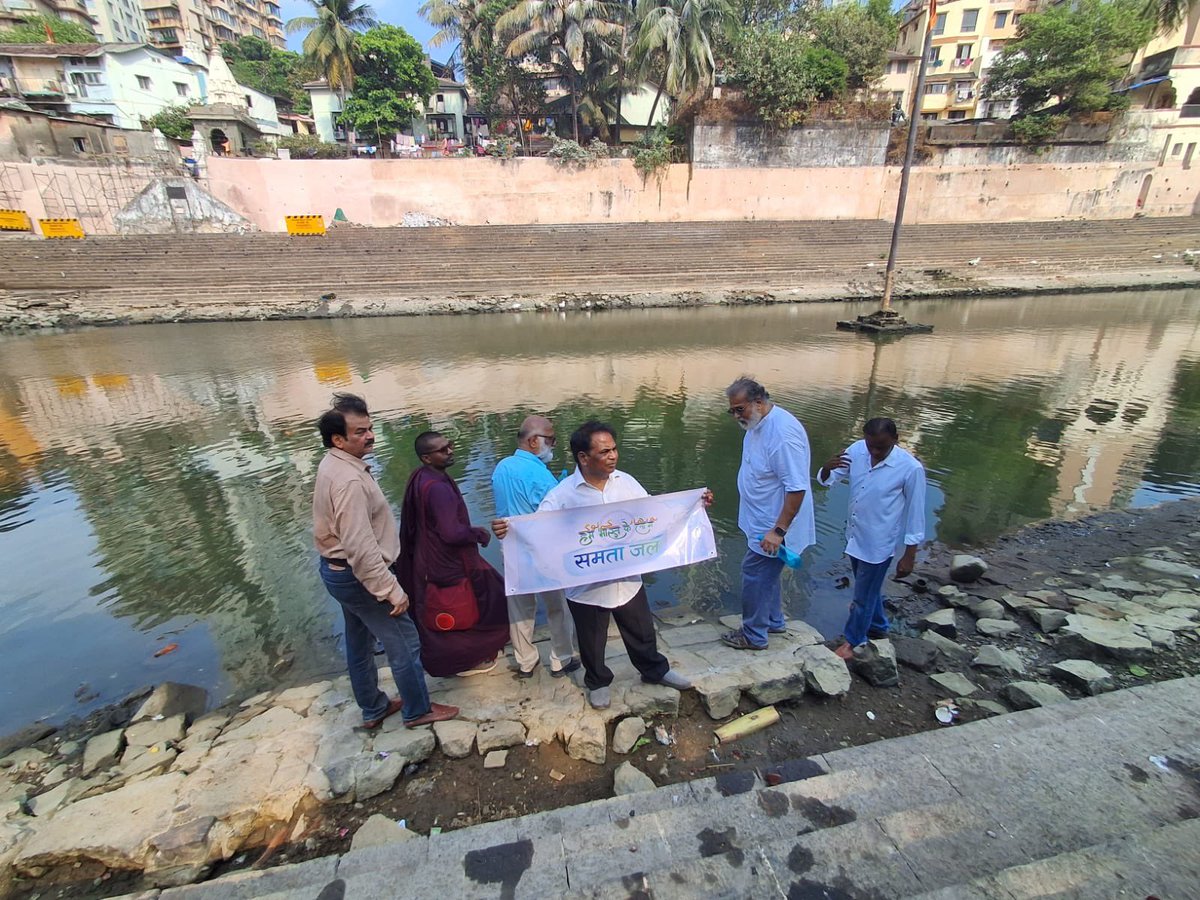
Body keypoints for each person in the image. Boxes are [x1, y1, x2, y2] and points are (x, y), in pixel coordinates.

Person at [496, 421, 700, 710]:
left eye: (614, 449)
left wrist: (694, 505)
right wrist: (511, 531)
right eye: (605, 451)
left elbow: (656, 512)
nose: (613, 456)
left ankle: (655, 670)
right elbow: (538, 529)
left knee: (641, 631)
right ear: (583, 457)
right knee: (591, 641)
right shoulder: (563, 495)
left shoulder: (627, 482)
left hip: (626, 578)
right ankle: (598, 682)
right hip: (586, 583)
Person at [311, 393, 458, 730]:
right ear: (338, 439)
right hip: (358, 574)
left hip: (337, 572)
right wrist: (390, 590)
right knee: (405, 640)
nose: (370, 435)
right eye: (360, 431)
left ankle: (373, 707)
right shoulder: (349, 481)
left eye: (371, 428)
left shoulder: (335, 464)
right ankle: (417, 710)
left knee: (359, 641)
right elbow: (361, 547)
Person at [396, 431, 510, 678]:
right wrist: (478, 534)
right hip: (448, 563)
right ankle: (466, 660)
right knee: (477, 602)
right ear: (427, 458)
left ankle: (460, 656)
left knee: (447, 606)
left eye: (450, 446)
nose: (450, 452)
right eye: (442, 450)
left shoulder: (423, 477)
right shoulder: (437, 488)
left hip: (429, 559)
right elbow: (451, 533)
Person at [817, 418, 926, 660]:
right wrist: (826, 468)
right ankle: (878, 626)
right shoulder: (857, 450)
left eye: (881, 447)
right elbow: (829, 478)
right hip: (855, 534)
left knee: (862, 595)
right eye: (871, 446)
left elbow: (916, 514)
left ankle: (854, 640)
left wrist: (909, 556)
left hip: (879, 543)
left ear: (895, 440)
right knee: (868, 589)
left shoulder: (910, 468)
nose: (875, 452)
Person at [720, 377, 816, 651]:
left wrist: (778, 531)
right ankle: (773, 621)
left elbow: (796, 488)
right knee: (767, 574)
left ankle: (753, 634)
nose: (737, 416)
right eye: (733, 410)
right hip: (759, 518)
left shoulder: (782, 435)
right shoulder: (756, 424)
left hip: (775, 525)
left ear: (759, 403)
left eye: (741, 409)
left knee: (755, 572)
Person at [490, 416, 580, 679]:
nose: (553, 445)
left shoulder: (502, 467)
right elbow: (556, 509)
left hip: (512, 546)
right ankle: (561, 657)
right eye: (550, 440)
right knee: (557, 605)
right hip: (542, 548)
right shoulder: (536, 472)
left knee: (519, 607)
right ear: (533, 441)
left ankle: (525, 661)